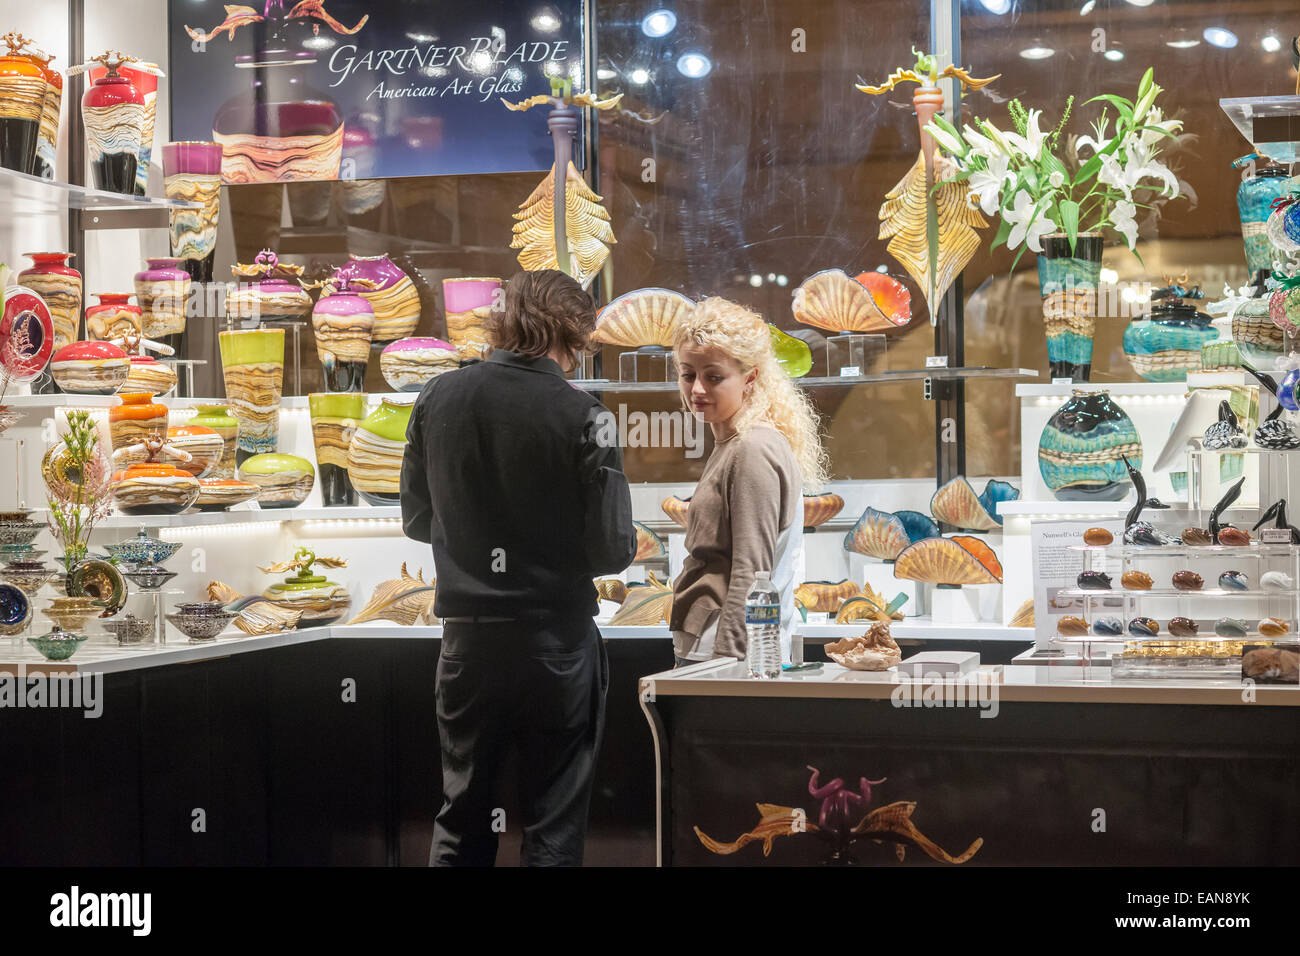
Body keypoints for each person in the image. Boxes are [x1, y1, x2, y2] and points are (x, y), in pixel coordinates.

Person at [400, 269, 637, 866]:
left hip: (467, 647)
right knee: (553, 823)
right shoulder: (588, 415)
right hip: (555, 646)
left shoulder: (436, 396)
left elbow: (417, 519)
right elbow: (611, 549)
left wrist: (474, 543)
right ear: (574, 334)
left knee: (460, 820)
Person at [669, 297, 829, 667]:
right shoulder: (734, 442)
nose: (696, 389)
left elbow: (753, 573)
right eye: (688, 373)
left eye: (714, 376)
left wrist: (731, 665)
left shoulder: (751, 448)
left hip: (724, 654)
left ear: (750, 377)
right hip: (716, 647)